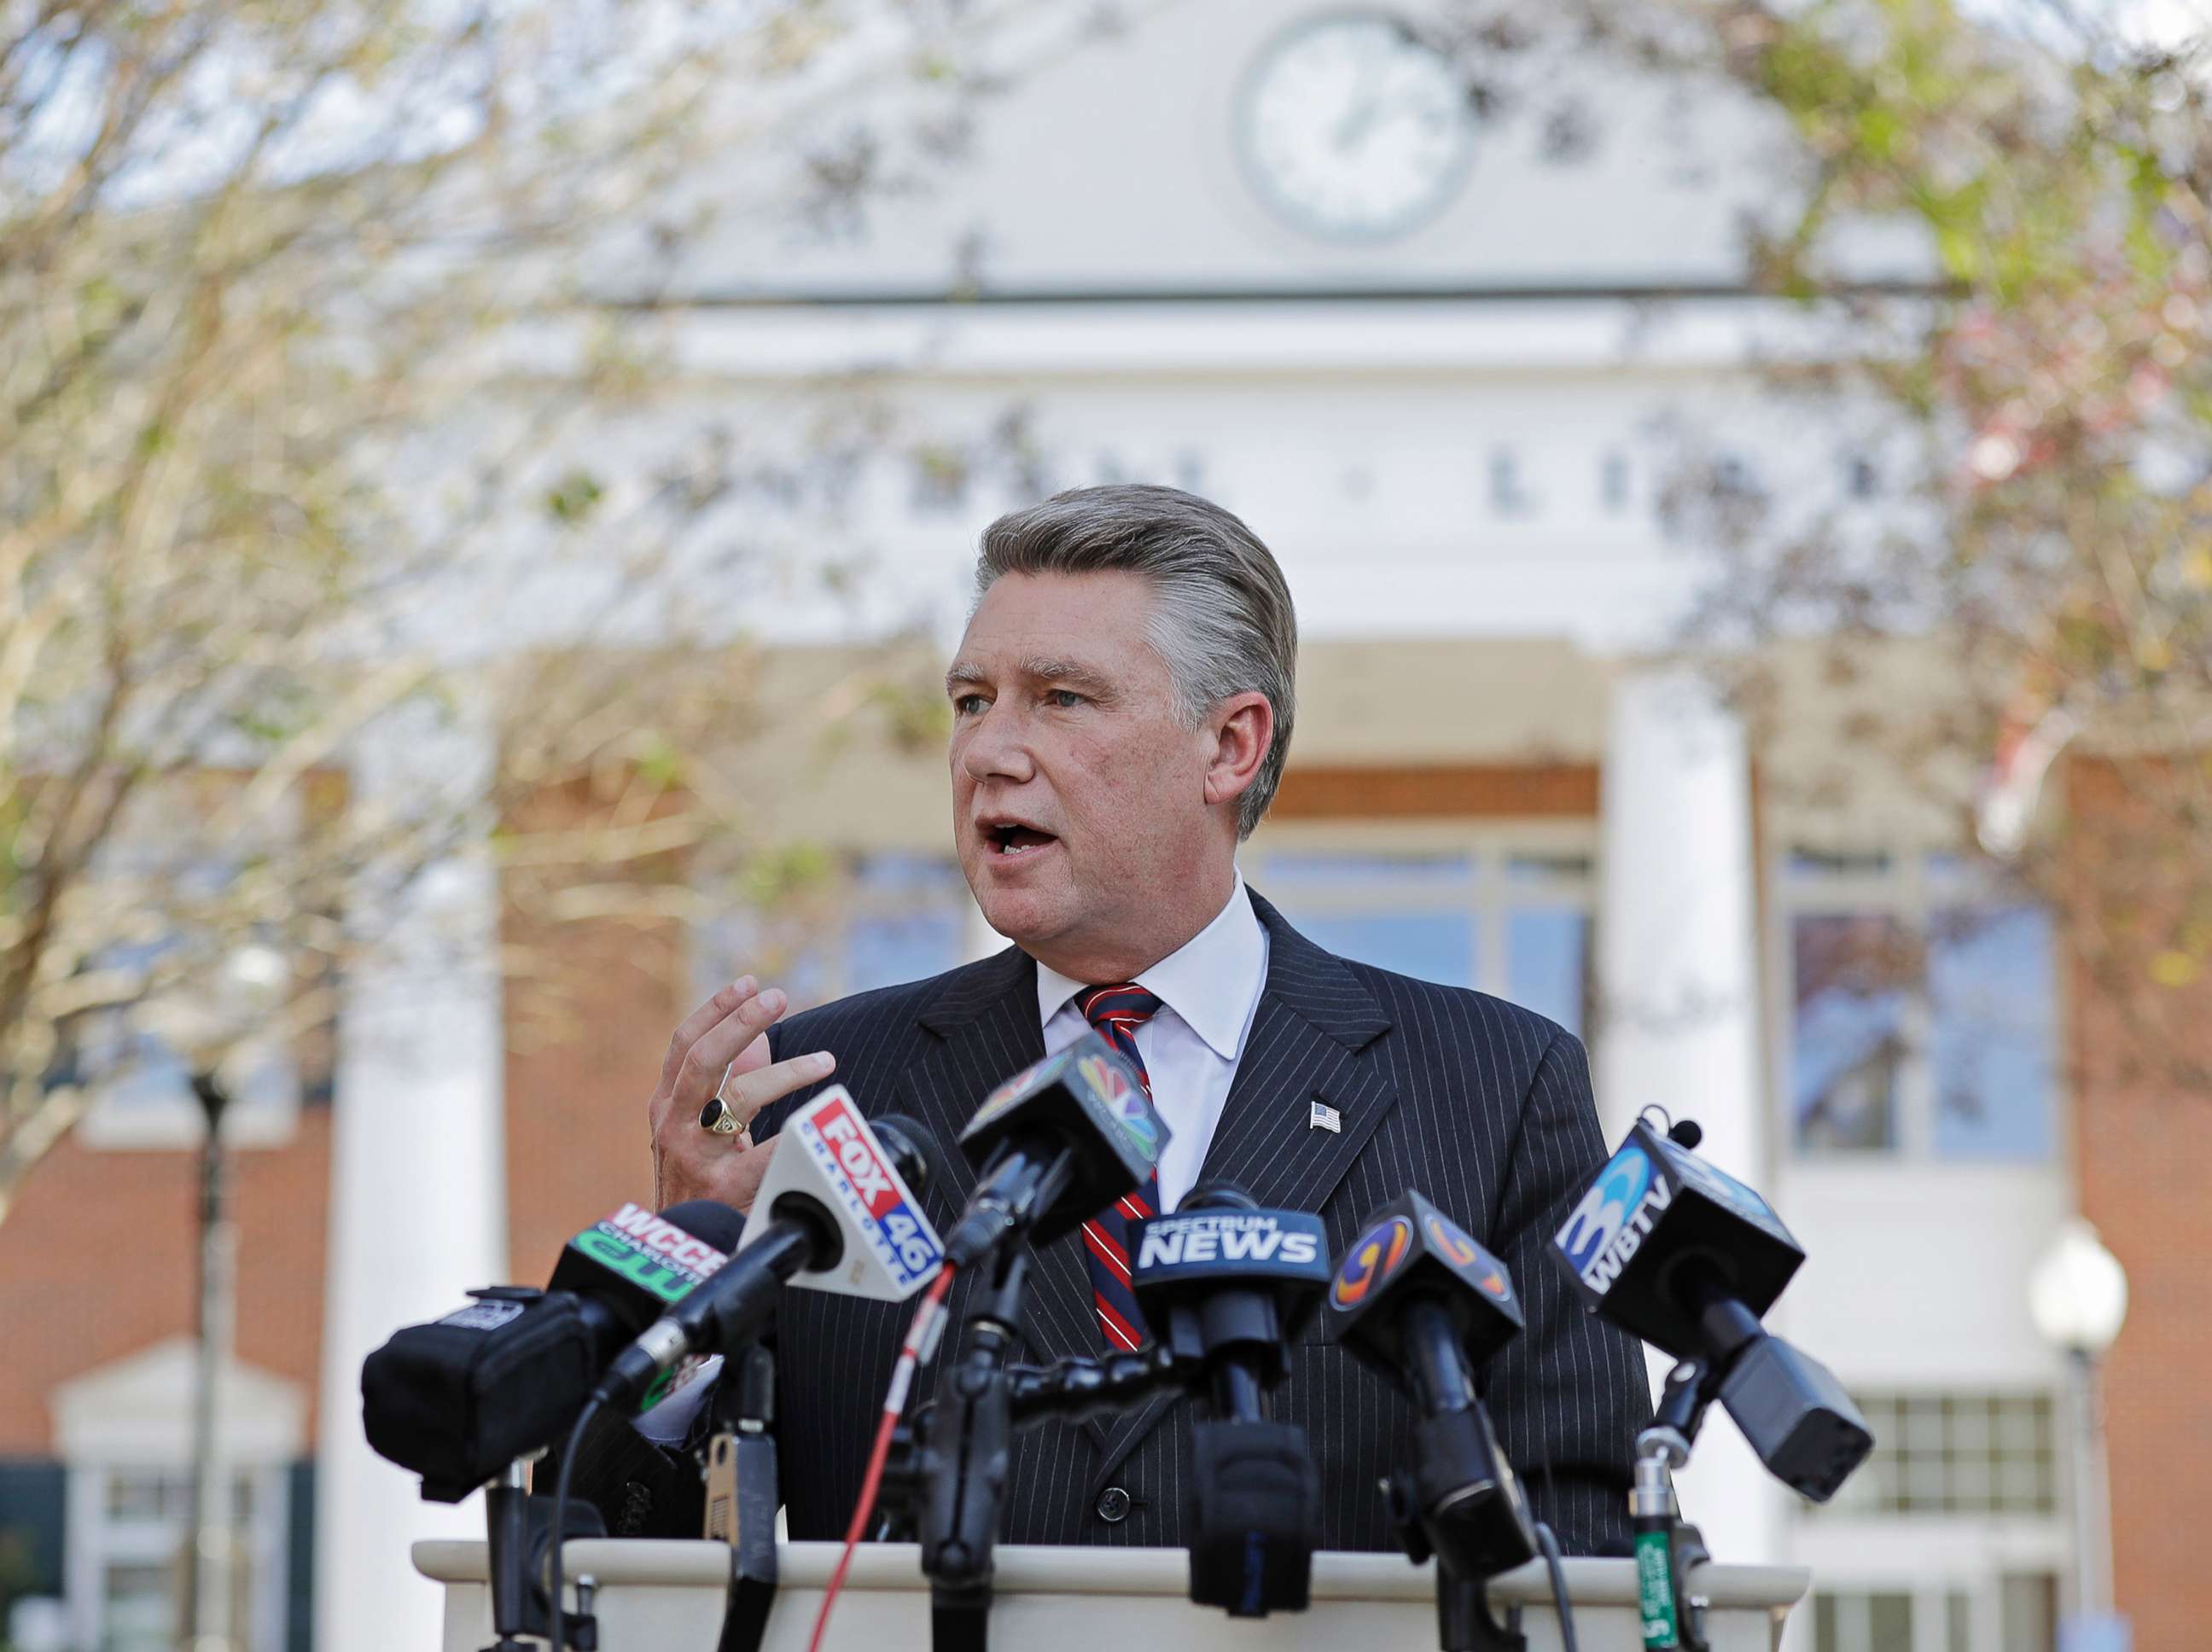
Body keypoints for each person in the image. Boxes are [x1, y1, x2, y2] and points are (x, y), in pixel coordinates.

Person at [584, 483, 1650, 1552]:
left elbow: (1587, 1544)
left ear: (1229, 745)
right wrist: (687, 1280)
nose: (988, 752)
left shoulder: (1493, 1087)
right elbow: (632, 1545)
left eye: (1060, 698)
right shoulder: (827, 1093)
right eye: (971, 701)